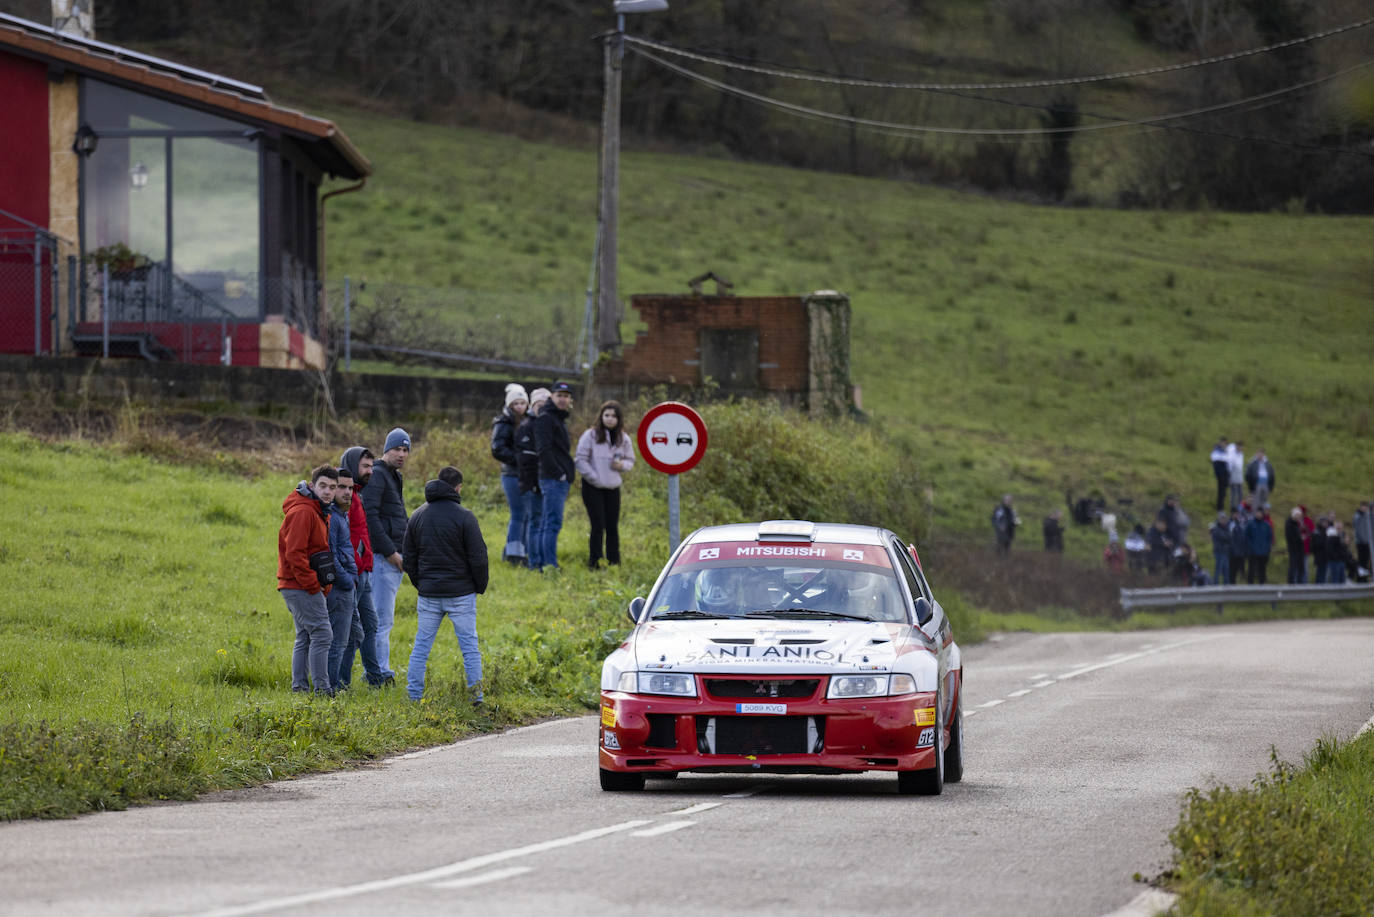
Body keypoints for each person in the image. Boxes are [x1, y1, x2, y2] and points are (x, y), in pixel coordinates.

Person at [402, 466, 489, 702]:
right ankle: (476, 698)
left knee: (421, 646)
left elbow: (408, 558)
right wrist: (478, 586)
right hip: (461, 594)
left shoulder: (418, 515)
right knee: (470, 647)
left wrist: (421, 584)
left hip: (428, 594)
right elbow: (479, 557)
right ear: (458, 487)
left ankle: (413, 696)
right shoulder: (465, 516)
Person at [277, 465, 337, 694]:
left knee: (305, 636)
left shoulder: (317, 510)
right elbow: (295, 553)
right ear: (312, 486)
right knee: (322, 633)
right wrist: (313, 584)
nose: (328, 492)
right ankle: (323, 690)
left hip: (296, 584)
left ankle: (300, 689)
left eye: (332, 487)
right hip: (299, 584)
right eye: (323, 486)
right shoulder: (303, 511)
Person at [337, 446, 389, 688]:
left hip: (365, 572)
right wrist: (353, 568)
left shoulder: (357, 495)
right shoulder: (345, 497)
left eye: (372, 466)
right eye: (366, 466)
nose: (371, 471)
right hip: (354, 574)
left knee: (370, 625)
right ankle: (341, 684)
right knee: (351, 632)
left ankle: (375, 678)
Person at [362, 427, 410, 679]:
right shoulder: (379, 475)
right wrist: (390, 552)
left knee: (382, 619)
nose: (401, 454)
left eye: (405, 450)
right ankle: (378, 672)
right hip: (382, 559)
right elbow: (370, 517)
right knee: (380, 620)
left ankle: (377, 669)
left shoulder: (394, 476)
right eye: (396, 449)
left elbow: (396, 515)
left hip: (393, 558)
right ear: (386, 450)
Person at [575, 400, 636, 569]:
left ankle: (614, 560)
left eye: (614, 416)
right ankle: (595, 562)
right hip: (593, 487)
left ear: (619, 419)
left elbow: (630, 460)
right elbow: (580, 460)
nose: (610, 419)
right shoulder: (591, 435)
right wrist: (595, 477)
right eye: (606, 415)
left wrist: (621, 466)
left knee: (612, 524)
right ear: (601, 416)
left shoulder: (623, 439)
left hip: (612, 488)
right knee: (597, 524)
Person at [325, 466, 360, 690]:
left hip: (349, 586)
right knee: (337, 642)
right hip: (339, 588)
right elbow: (331, 555)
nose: (347, 492)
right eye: (341, 487)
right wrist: (347, 580)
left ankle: (341, 683)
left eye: (350, 488)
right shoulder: (332, 517)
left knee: (357, 635)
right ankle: (331, 688)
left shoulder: (342, 515)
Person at [534, 381, 575, 571]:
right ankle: (550, 565)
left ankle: (543, 564)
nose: (563, 399)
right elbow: (544, 449)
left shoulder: (558, 418)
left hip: (558, 478)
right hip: (552, 479)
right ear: (552, 397)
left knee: (547, 522)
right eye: (559, 395)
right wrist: (559, 474)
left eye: (566, 396)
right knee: (552, 523)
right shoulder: (546, 418)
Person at [490, 383, 529, 566]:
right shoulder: (503, 423)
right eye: (516, 404)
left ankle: (517, 550)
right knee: (518, 514)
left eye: (523, 403)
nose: (520, 407)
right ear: (510, 405)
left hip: (525, 473)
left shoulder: (529, 421)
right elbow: (497, 448)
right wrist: (518, 459)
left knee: (526, 514)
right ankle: (514, 555)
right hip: (511, 474)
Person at [517, 388, 549, 571]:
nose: (542, 408)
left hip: (544, 481)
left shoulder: (547, 424)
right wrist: (534, 484)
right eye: (539, 405)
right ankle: (534, 562)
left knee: (542, 522)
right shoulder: (527, 426)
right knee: (535, 522)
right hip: (531, 484)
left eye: (545, 405)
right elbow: (526, 460)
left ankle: (541, 559)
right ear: (533, 405)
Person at [1244, 506, 1272, 584]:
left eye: (1260, 513)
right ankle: (1250, 585)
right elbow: (1246, 537)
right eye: (1257, 513)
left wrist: (1267, 548)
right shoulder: (1250, 524)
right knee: (1251, 569)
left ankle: (1262, 584)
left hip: (1263, 551)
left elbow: (1269, 538)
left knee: (1262, 569)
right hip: (1252, 551)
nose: (1259, 514)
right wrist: (1250, 547)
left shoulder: (1266, 525)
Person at [1283, 507, 1306, 584]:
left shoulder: (1297, 524)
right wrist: (1300, 538)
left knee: (1300, 567)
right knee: (1293, 567)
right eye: (1298, 515)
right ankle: (1291, 583)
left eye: (1300, 516)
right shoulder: (1289, 523)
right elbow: (1290, 537)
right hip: (1293, 549)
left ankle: (1300, 583)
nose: (1299, 517)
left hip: (1299, 549)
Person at [1227, 507, 1248, 585]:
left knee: (1236, 571)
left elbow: (1242, 537)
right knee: (1231, 571)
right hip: (1232, 552)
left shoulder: (1239, 524)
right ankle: (1231, 585)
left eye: (1237, 514)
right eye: (1235, 514)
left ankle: (1235, 584)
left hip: (1239, 551)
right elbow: (1230, 538)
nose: (1236, 515)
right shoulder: (1230, 524)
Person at [1209, 511, 1231, 586]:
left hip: (1225, 552)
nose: (1223, 520)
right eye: (1222, 518)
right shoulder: (1216, 529)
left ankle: (1227, 586)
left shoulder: (1226, 527)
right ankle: (1215, 585)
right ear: (1218, 519)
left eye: (1224, 518)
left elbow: (1229, 537)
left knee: (1226, 571)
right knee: (1218, 570)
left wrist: (1228, 537)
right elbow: (1224, 537)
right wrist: (1227, 536)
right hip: (1219, 552)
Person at [1209, 436, 1230, 512]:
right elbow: (1216, 464)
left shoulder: (1226, 451)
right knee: (1221, 491)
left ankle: (1221, 506)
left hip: (1225, 473)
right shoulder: (1216, 451)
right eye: (1223, 442)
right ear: (1220, 443)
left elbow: (1228, 463)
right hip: (1220, 474)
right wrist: (1219, 475)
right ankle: (1220, 507)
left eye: (1225, 443)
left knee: (1224, 491)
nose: (1224, 444)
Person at [1353, 502, 1372, 582]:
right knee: (1362, 561)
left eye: (1366, 507)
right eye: (1364, 507)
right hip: (1361, 543)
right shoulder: (1358, 516)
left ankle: (1365, 578)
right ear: (1361, 507)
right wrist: (1364, 539)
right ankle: (1360, 579)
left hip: (1367, 542)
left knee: (1367, 561)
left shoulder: (1367, 516)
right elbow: (1359, 529)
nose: (1365, 509)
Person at [1226, 440, 1245, 511]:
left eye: (1241, 447)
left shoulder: (1241, 454)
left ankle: (1240, 507)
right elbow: (1230, 465)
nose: (1240, 448)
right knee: (1233, 493)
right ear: (1236, 446)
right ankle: (1233, 508)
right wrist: (1229, 475)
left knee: (1240, 493)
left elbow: (1241, 466)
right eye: (1239, 447)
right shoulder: (1232, 454)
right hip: (1233, 476)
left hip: (1239, 477)